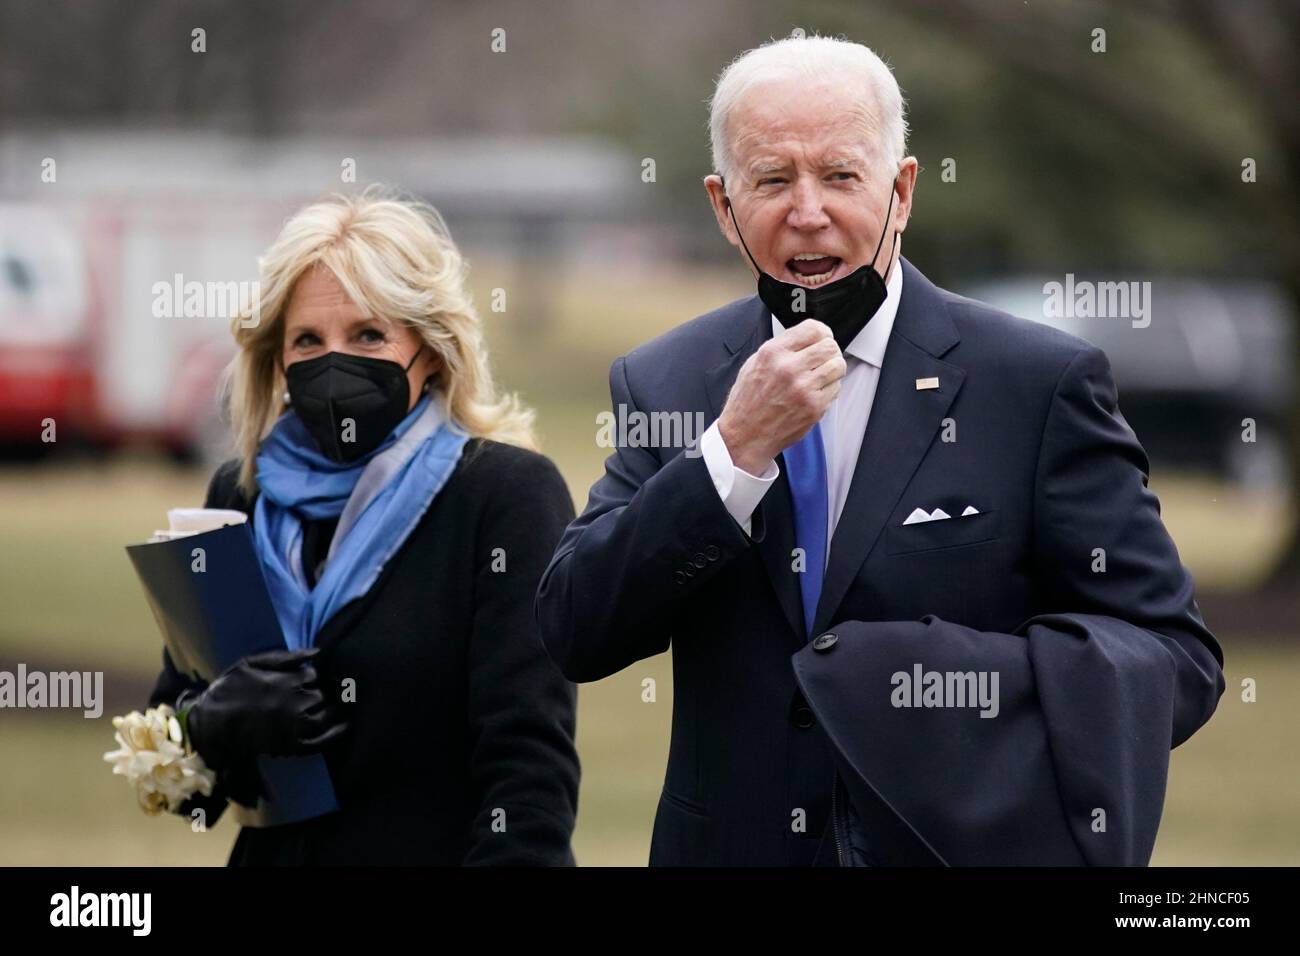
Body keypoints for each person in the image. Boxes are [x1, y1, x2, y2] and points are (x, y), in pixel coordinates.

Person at [535, 36, 1224, 866]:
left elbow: (1176, 660)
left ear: (901, 192)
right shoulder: (666, 380)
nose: (808, 210)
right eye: (773, 179)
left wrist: (945, 693)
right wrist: (732, 452)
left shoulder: (1036, 383)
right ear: (724, 206)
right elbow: (577, 627)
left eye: (839, 174)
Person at [146, 187, 581, 865]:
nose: (334, 363)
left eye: (369, 335)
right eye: (308, 340)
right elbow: (183, 794)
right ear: (277, 359)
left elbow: (528, 771)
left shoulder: (504, 495)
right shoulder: (239, 495)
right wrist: (208, 724)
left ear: (431, 350)